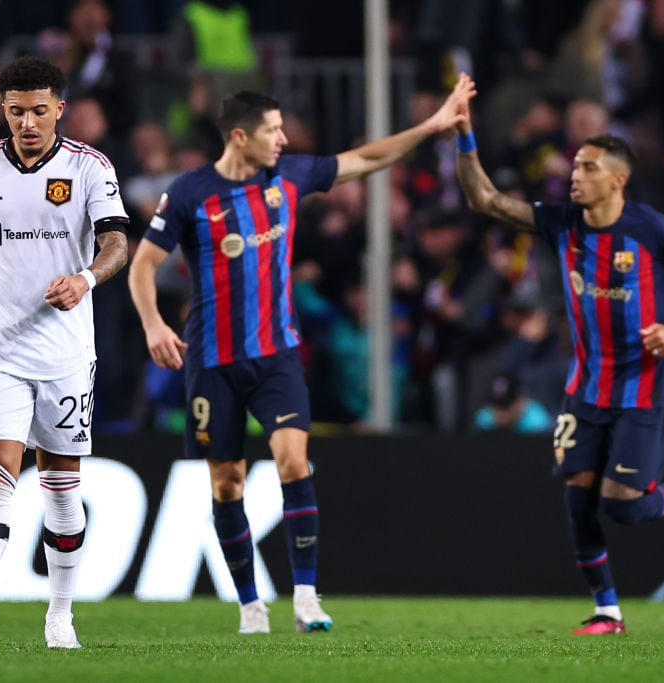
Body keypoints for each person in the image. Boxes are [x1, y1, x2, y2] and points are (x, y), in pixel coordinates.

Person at [128, 75, 476, 634]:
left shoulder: (289, 177)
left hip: (278, 356)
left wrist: (434, 126)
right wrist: (152, 325)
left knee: (293, 461)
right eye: (273, 131)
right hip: (213, 362)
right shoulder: (191, 192)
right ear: (240, 137)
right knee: (227, 484)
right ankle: (249, 605)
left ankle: (307, 597)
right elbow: (144, 264)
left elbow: (366, 159)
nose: (283, 139)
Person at [454, 75, 664, 635]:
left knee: (623, 506)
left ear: (618, 180)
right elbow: (482, 199)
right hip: (586, 388)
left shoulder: (651, 230)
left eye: (588, 168)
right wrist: (464, 136)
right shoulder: (560, 224)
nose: (575, 175)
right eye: (575, 166)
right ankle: (608, 612)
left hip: (643, 388)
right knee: (578, 501)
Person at [0, 55, 129, 649]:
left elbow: (117, 241)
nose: (28, 123)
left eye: (40, 110)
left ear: (59, 109)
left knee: (62, 491)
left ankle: (60, 615)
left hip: (66, 355)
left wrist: (86, 280)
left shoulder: (90, 168)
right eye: (16, 111)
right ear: (4, 110)